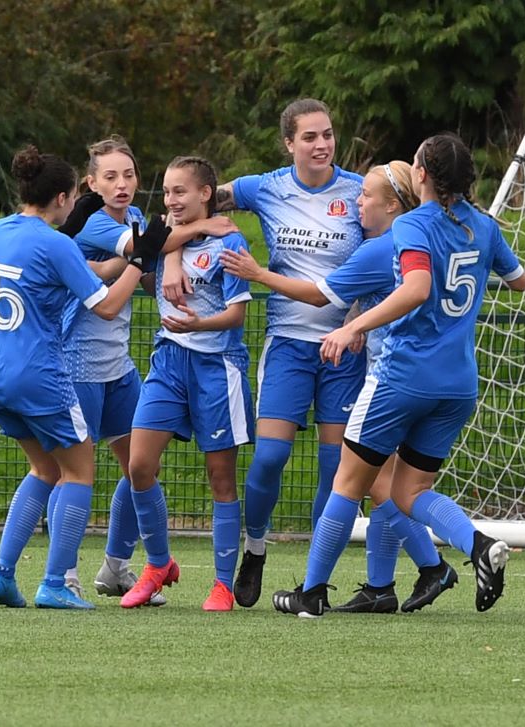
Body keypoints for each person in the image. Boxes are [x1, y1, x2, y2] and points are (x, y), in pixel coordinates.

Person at [270, 132, 525, 618]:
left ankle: (310, 592)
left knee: (349, 482)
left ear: (424, 176)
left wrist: (355, 327)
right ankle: (477, 544)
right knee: (410, 491)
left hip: (404, 377)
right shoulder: (485, 226)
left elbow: (416, 287)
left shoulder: (413, 225)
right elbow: (519, 281)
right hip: (458, 385)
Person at [221, 161, 465, 614]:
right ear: (290, 144)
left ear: (392, 204)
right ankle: (373, 579)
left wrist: (257, 275)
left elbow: (321, 294)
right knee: (360, 479)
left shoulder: (382, 245)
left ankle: (437, 560)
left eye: (366, 198)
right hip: (361, 361)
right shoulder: (415, 237)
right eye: (310, 136)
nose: (357, 203)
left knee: (363, 482)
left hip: (374, 371)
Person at [169, 98, 365, 608]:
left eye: (327, 134)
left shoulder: (360, 191)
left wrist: (360, 316)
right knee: (270, 457)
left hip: (344, 348)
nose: (321, 145)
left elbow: (386, 253)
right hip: (288, 345)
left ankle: (314, 579)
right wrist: (171, 256)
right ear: (289, 144)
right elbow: (190, 202)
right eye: (309, 137)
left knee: (334, 468)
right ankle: (254, 547)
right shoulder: (266, 187)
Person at [0, 145, 166, 610]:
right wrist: (141, 261)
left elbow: (84, 270)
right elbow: (105, 304)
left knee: (42, 468)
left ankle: (2, 574)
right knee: (78, 471)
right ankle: (57, 582)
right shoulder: (56, 243)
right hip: (39, 375)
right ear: (65, 197)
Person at [62, 136, 238, 604]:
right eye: (111, 176)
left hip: (118, 365)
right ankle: (61, 573)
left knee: (137, 466)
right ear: (91, 183)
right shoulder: (97, 222)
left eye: (129, 175)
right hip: (77, 361)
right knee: (65, 471)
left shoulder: (141, 218)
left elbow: (150, 262)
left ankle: (119, 567)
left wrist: (170, 264)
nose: (123, 185)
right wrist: (201, 229)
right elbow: (147, 246)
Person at [118, 156, 255, 610]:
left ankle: (222, 584)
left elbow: (237, 316)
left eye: (181, 191)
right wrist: (178, 247)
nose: (171, 200)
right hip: (168, 362)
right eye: (167, 192)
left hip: (218, 366)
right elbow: (147, 250)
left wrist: (199, 324)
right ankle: (158, 565)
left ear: (206, 194)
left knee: (220, 478)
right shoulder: (165, 236)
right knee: (139, 465)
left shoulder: (230, 241)